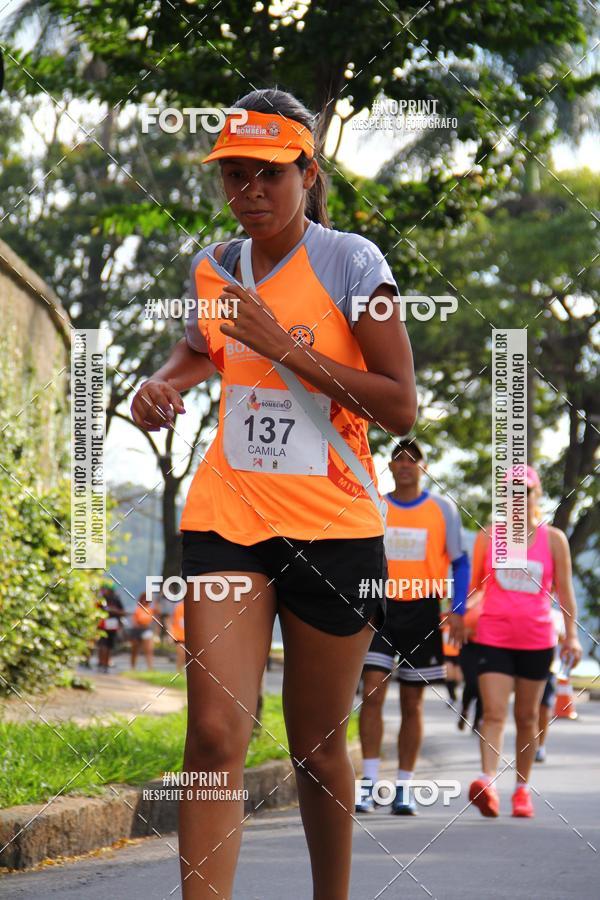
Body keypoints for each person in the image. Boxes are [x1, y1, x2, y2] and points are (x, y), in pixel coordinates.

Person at [130, 87, 417, 900]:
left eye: (268, 174)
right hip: (230, 518)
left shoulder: (356, 263)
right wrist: (162, 383)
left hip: (335, 529)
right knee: (215, 734)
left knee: (318, 748)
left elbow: (399, 405)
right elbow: (201, 350)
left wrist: (285, 349)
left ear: (306, 172)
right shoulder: (215, 267)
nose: (249, 191)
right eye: (234, 175)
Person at [355, 438, 470, 815]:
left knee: (412, 702)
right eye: (398, 458)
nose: (405, 465)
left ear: (423, 467)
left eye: (412, 459)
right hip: (380, 609)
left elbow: (461, 561)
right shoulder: (376, 504)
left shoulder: (442, 510)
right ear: (389, 465)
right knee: (371, 693)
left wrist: (457, 609)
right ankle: (369, 784)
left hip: (422, 612)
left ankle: (403, 787)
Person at [468, 465, 582, 818]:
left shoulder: (554, 540)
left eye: (525, 491)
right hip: (493, 636)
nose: (518, 498)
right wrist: (457, 617)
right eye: (512, 492)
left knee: (528, 716)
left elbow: (565, 592)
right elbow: (472, 588)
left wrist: (572, 637)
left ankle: (521, 789)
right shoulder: (488, 537)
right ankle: (488, 782)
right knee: (495, 713)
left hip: (536, 639)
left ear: (537, 496)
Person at [457, 590, 483, 732]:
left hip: (488, 646)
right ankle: (465, 709)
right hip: (469, 646)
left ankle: (478, 720)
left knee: (483, 686)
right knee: (472, 682)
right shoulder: (472, 593)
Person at [97, 586, 125, 673]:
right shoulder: (103, 599)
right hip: (104, 624)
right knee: (104, 645)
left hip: (111, 625)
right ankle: (103, 663)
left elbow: (122, 611)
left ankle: (104, 663)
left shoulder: (115, 599)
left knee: (107, 645)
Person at [129, 591, 156, 670]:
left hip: (146, 630)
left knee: (149, 650)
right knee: (134, 650)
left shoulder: (150, 610)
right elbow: (134, 621)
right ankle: (133, 667)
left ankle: (150, 667)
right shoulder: (138, 609)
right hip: (137, 631)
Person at [170, 600, 186, 672]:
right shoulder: (178, 607)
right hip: (179, 635)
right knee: (181, 655)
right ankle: (179, 672)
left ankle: (181, 672)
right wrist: (171, 634)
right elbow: (171, 621)